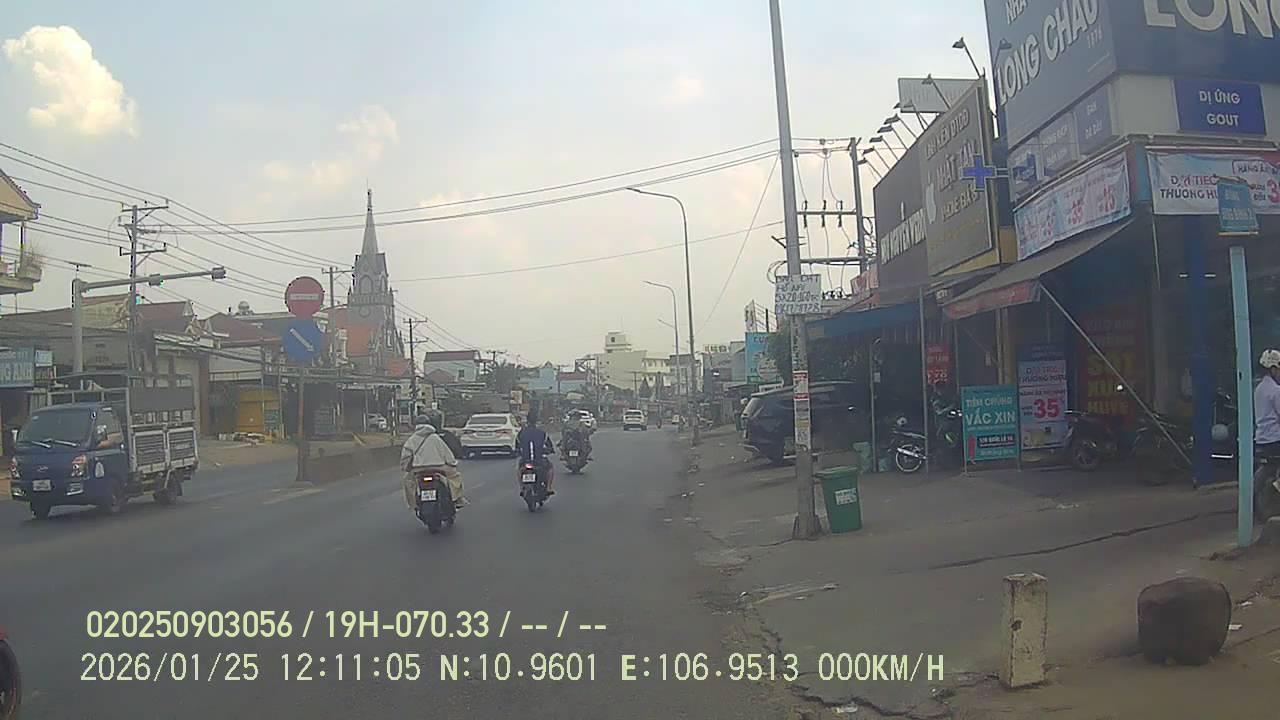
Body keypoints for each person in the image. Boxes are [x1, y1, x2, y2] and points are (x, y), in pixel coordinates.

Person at [401, 415, 465, 509]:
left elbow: (405, 457)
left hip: (418, 469)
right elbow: (447, 454)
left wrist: (406, 468)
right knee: (455, 477)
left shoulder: (411, 440)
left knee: (408, 481)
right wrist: (452, 464)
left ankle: (413, 504)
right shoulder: (436, 438)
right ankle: (457, 499)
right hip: (439, 468)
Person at [516, 408, 556, 494]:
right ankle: (548, 488)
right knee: (550, 468)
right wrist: (548, 450)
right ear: (536, 421)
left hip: (525, 460)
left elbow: (517, 447)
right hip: (539, 460)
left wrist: (521, 452)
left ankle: (522, 488)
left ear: (527, 420)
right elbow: (550, 446)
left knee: (519, 470)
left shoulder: (521, 433)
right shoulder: (542, 433)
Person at [1255, 350, 1280, 460]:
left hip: (1261, 439)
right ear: (1273, 369)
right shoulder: (1275, 390)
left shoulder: (1259, 389)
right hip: (1275, 440)